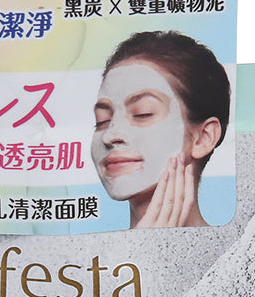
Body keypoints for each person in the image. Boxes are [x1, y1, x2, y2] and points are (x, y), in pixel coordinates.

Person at [91, 30, 230, 228]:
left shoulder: (247, 245)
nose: (110, 135)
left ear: (203, 137)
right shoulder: (76, 248)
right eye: (102, 121)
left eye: (143, 113)